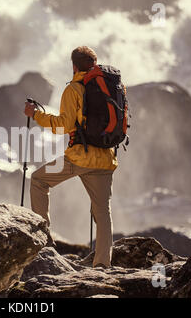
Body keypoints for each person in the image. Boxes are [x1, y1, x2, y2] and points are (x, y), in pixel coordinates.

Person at [23, 46, 118, 268]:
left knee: (39, 180)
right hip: (106, 159)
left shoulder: (74, 89)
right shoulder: (113, 87)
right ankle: (103, 264)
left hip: (78, 159)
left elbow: (63, 126)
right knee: (102, 211)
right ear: (94, 64)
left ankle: (43, 243)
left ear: (74, 66)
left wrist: (36, 114)